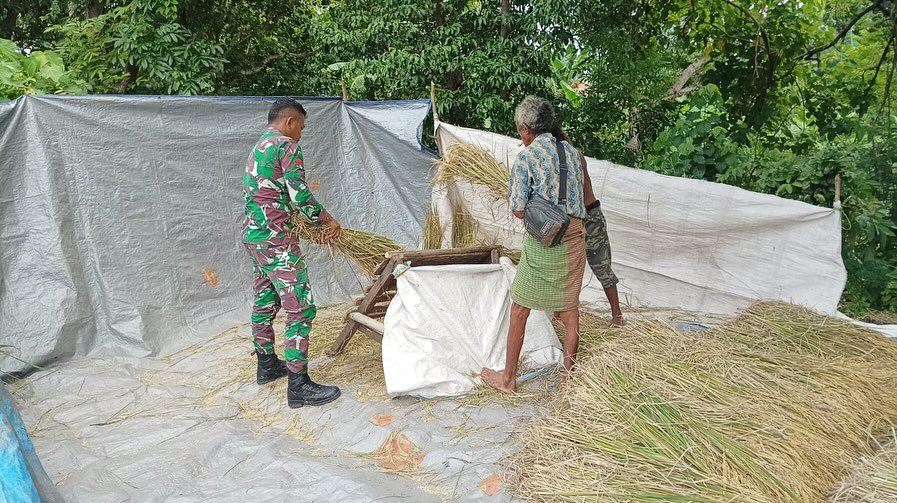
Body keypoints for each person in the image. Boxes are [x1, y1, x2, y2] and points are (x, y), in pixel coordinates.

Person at [481, 96, 587, 394]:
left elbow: (517, 209)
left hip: (544, 244)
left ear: (526, 128)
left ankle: (508, 379)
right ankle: (569, 378)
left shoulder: (526, 158)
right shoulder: (572, 153)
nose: (520, 135)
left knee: (519, 309)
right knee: (569, 310)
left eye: (519, 130)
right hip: (575, 239)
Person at [242, 97, 343, 408]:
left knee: (265, 301)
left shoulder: (259, 146)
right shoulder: (285, 144)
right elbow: (299, 194)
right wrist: (326, 220)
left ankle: (267, 365)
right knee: (299, 309)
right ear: (289, 122)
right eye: (301, 126)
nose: (301, 132)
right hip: (277, 241)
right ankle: (299, 386)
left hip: (256, 237)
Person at [551, 124, 624, 327]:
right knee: (563, 269)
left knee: (601, 266)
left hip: (589, 216)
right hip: (571, 219)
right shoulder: (564, 155)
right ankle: (558, 315)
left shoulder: (569, 156)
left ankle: (617, 316)